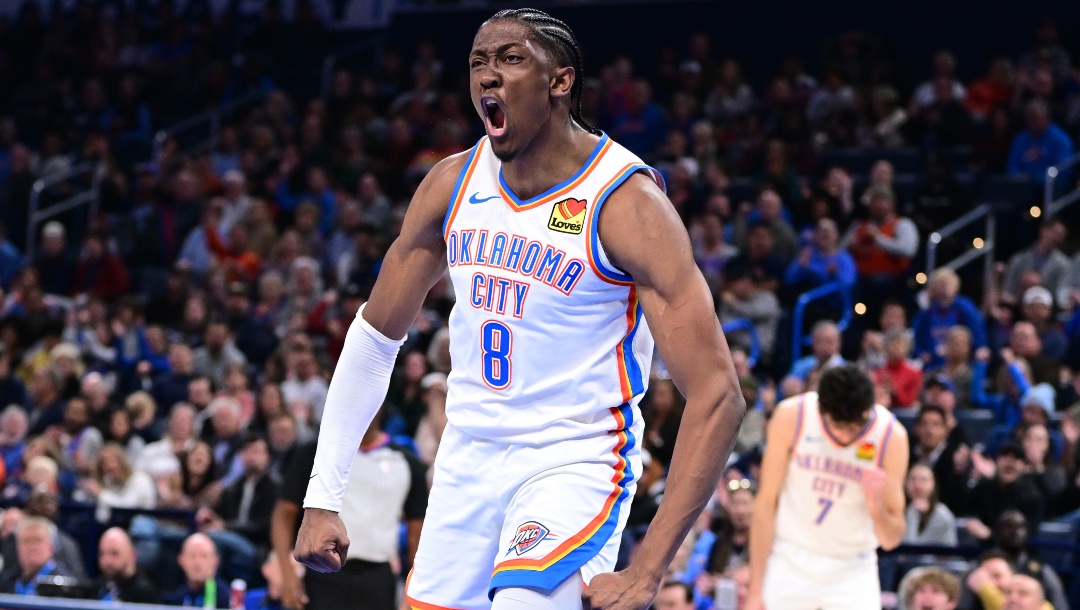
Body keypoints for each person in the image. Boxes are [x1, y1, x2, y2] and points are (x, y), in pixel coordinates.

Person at [294, 9, 746, 610]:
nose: (488, 75)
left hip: (574, 459)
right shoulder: (451, 185)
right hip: (465, 459)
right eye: (479, 61)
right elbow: (375, 341)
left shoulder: (626, 202)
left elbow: (718, 392)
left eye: (510, 58)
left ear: (560, 81)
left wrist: (649, 569)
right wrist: (323, 495)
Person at [748, 365, 908, 610]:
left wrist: (875, 504)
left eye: (853, 429)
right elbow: (765, 504)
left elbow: (891, 540)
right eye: (837, 426)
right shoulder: (793, 416)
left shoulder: (891, 436)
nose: (844, 437)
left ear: (868, 412)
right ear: (821, 410)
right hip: (791, 557)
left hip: (853, 566)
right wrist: (756, 588)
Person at [0, 517, 78, 595]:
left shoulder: (65, 585)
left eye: (38, 540)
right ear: (17, 547)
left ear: (51, 547)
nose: (32, 547)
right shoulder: (7, 580)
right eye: (26, 541)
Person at [1006, 99, 1074, 181]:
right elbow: (1012, 165)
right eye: (1029, 117)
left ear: (1047, 118)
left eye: (1036, 117)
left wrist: (1034, 179)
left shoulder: (1060, 140)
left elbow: (1062, 170)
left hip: (1049, 188)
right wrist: (1018, 178)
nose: (1032, 121)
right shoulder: (1021, 138)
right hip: (1021, 187)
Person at [163, 532, 231, 608]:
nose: (197, 563)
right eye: (192, 556)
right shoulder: (174, 600)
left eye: (204, 556)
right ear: (181, 560)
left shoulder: (229, 600)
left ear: (216, 560)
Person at [96, 527, 159, 603]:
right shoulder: (94, 590)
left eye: (114, 554)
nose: (107, 561)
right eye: (102, 554)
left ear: (132, 555)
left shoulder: (145, 594)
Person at [903, 463, 958, 546]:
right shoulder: (898, 510)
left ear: (933, 484)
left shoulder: (942, 515)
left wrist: (913, 514)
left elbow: (913, 548)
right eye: (913, 479)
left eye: (924, 480)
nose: (917, 485)